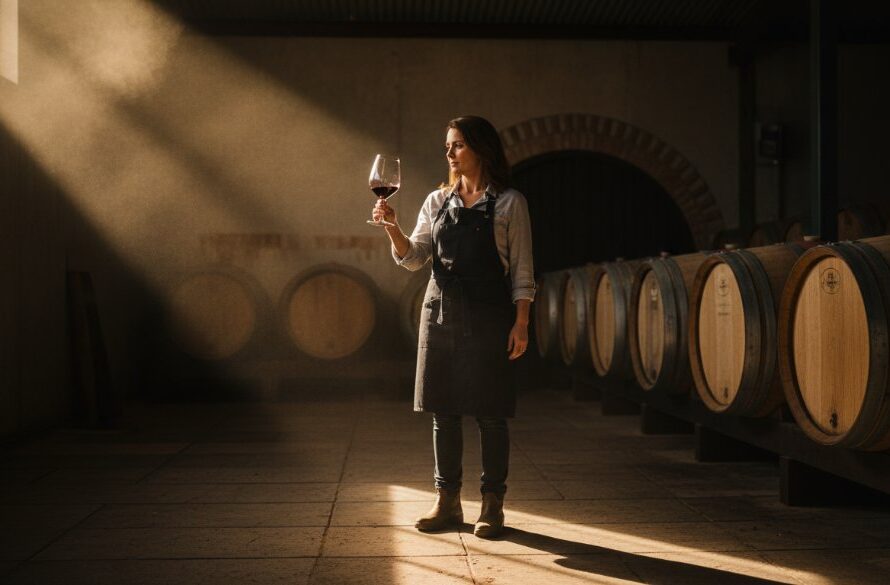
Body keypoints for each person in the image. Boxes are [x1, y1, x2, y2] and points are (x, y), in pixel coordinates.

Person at [372, 115, 535, 538]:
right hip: (440, 310)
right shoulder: (436, 200)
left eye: (458, 144)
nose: (449, 152)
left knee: (491, 412)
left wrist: (521, 322)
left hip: (488, 313)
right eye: (448, 145)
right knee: (443, 411)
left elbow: (522, 271)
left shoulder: (509, 203)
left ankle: (492, 504)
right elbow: (414, 257)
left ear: (480, 148)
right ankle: (447, 502)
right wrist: (392, 228)